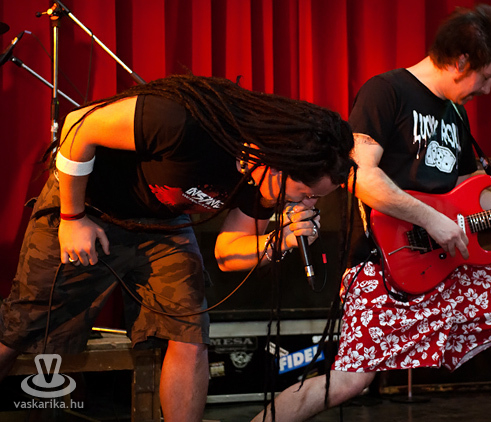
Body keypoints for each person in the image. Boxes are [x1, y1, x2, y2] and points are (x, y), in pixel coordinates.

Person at [254, 4, 491, 422]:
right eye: (486, 76)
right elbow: (360, 176)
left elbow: (472, 196)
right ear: (461, 61)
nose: (487, 89)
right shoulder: (386, 92)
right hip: (387, 264)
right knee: (349, 382)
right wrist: (431, 220)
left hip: (451, 260)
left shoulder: (456, 113)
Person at [0, 74, 356, 422]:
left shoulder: (263, 183)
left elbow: (227, 253)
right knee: (22, 324)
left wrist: (278, 242)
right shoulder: (182, 120)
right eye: (308, 194)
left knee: (190, 332)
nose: (309, 204)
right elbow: (78, 125)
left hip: (163, 224)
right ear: (281, 165)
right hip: (91, 204)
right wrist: (72, 217)